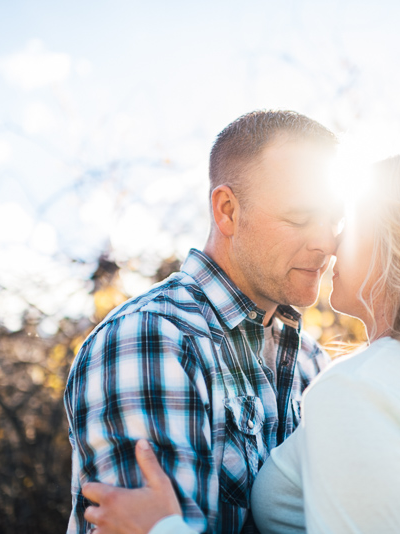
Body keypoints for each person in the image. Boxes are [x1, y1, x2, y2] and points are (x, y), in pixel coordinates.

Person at [82, 152, 400, 533]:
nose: (331, 241)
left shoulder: (362, 390)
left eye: (348, 223)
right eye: (305, 219)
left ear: (397, 245)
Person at [63, 110, 343, 534]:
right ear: (227, 210)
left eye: (334, 220)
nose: (326, 242)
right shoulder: (151, 339)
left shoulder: (312, 363)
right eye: (300, 218)